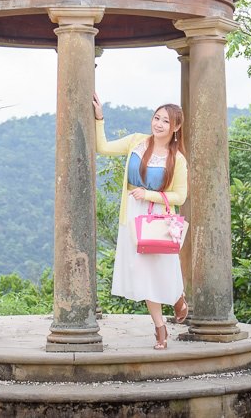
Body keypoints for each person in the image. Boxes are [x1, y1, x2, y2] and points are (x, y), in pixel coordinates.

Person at [92, 93, 189, 350]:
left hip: (159, 217)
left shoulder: (177, 159)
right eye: (156, 118)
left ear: (176, 127)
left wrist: (149, 194)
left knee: (164, 269)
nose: (158, 124)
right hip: (133, 216)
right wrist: (99, 118)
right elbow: (102, 147)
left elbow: (180, 195)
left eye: (165, 121)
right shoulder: (137, 142)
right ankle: (160, 328)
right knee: (143, 273)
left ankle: (178, 297)